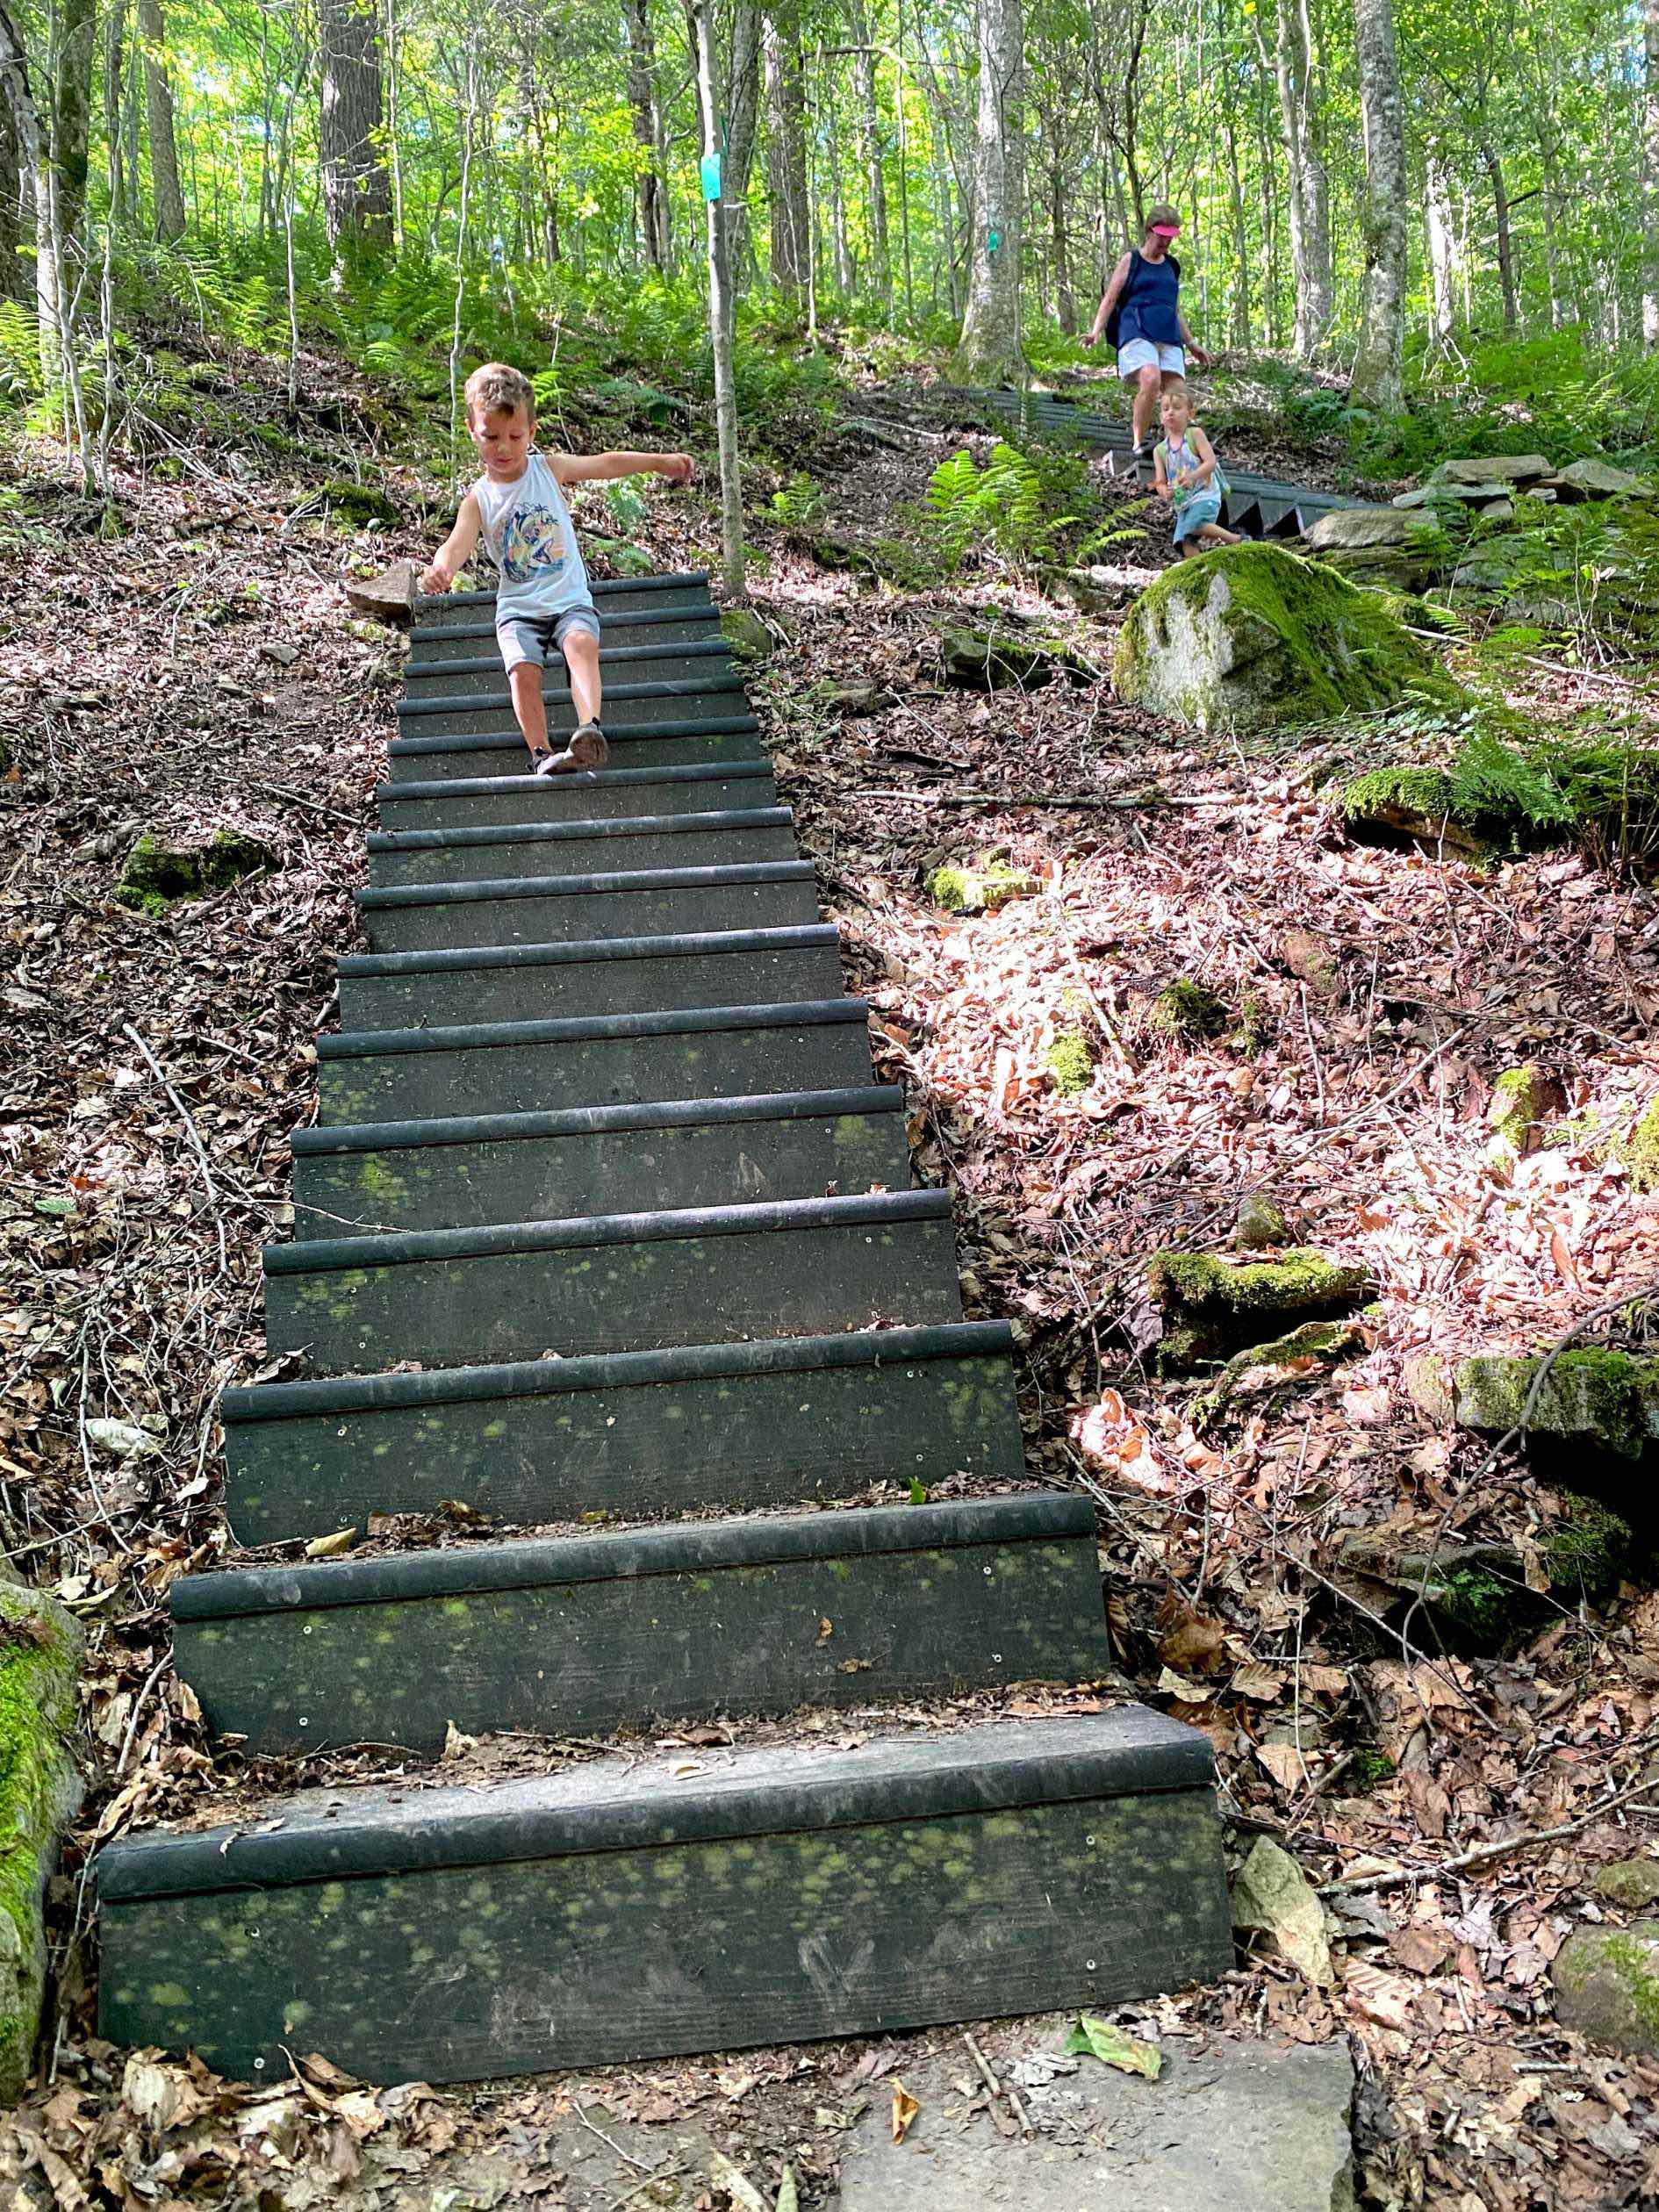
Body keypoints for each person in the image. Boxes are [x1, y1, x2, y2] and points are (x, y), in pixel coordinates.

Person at [420, 363, 694, 775]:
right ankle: (541, 754)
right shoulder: (478, 499)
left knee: (581, 644)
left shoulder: (548, 469)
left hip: (567, 599)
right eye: (491, 436)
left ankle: (589, 729)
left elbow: (604, 464)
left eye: (515, 436)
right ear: (472, 431)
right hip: (518, 608)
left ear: (531, 432)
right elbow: (457, 543)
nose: (504, 447)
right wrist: (441, 567)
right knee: (522, 672)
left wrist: (657, 461)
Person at [1082, 205, 1210, 463]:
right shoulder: (1132, 260)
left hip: (1167, 332)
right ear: (1150, 230)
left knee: (1177, 392)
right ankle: (1139, 443)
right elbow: (1110, 298)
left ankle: (1176, 448)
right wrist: (1095, 332)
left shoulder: (1172, 266)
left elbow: (1175, 309)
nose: (1166, 241)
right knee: (1150, 377)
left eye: (1170, 236)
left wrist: (1192, 342)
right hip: (1136, 327)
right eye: (1162, 234)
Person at [1152, 384, 1240, 558]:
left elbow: (1211, 462)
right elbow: (1160, 482)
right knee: (1184, 539)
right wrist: (1164, 491)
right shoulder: (1160, 451)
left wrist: (1193, 476)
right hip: (1183, 502)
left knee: (1196, 525)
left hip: (1205, 494)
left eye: (1177, 408)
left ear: (1190, 414)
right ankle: (1199, 568)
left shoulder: (1194, 435)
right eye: (1166, 409)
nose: (1170, 412)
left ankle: (1235, 538)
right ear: (1161, 416)